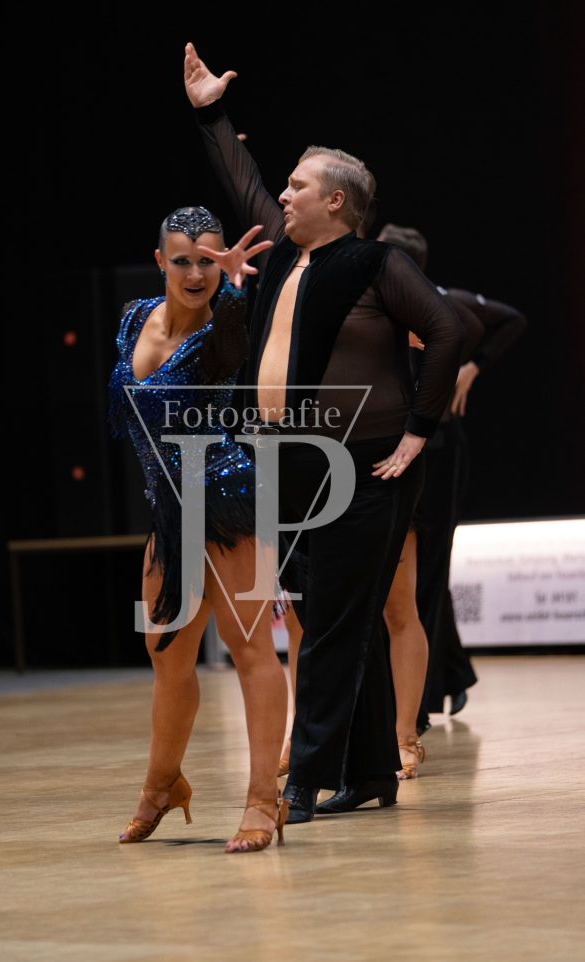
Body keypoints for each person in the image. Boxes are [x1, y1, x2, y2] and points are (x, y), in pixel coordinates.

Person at [184, 43, 465, 823]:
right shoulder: (286, 257)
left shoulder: (373, 263)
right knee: (336, 618)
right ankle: (370, 771)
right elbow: (241, 180)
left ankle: (300, 781)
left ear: (334, 202)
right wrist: (211, 113)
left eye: (297, 185)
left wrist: (418, 430)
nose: (282, 194)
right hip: (294, 462)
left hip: (365, 466)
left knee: (331, 627)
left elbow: (447, 329)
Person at [108, 206, 290, 854]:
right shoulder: (133, 317)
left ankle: (263, 799)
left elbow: (234, 348)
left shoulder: (223, 327)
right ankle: (161, 785)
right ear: (160, 260)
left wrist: (236, 289)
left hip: (226, 501)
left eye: (208, 261)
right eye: (182, 260)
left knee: (249, 649)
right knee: (166, 655)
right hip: (166, 510)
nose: (195, 274)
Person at [376, 224, 527, 728]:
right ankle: (451, 674)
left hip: (439, 448)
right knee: (412, 571)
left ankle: (417, 700)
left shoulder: (440, 306)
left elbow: (508, 320)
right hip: (401, 448)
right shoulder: (384, 310)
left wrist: (471, 367)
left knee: (428, 567)